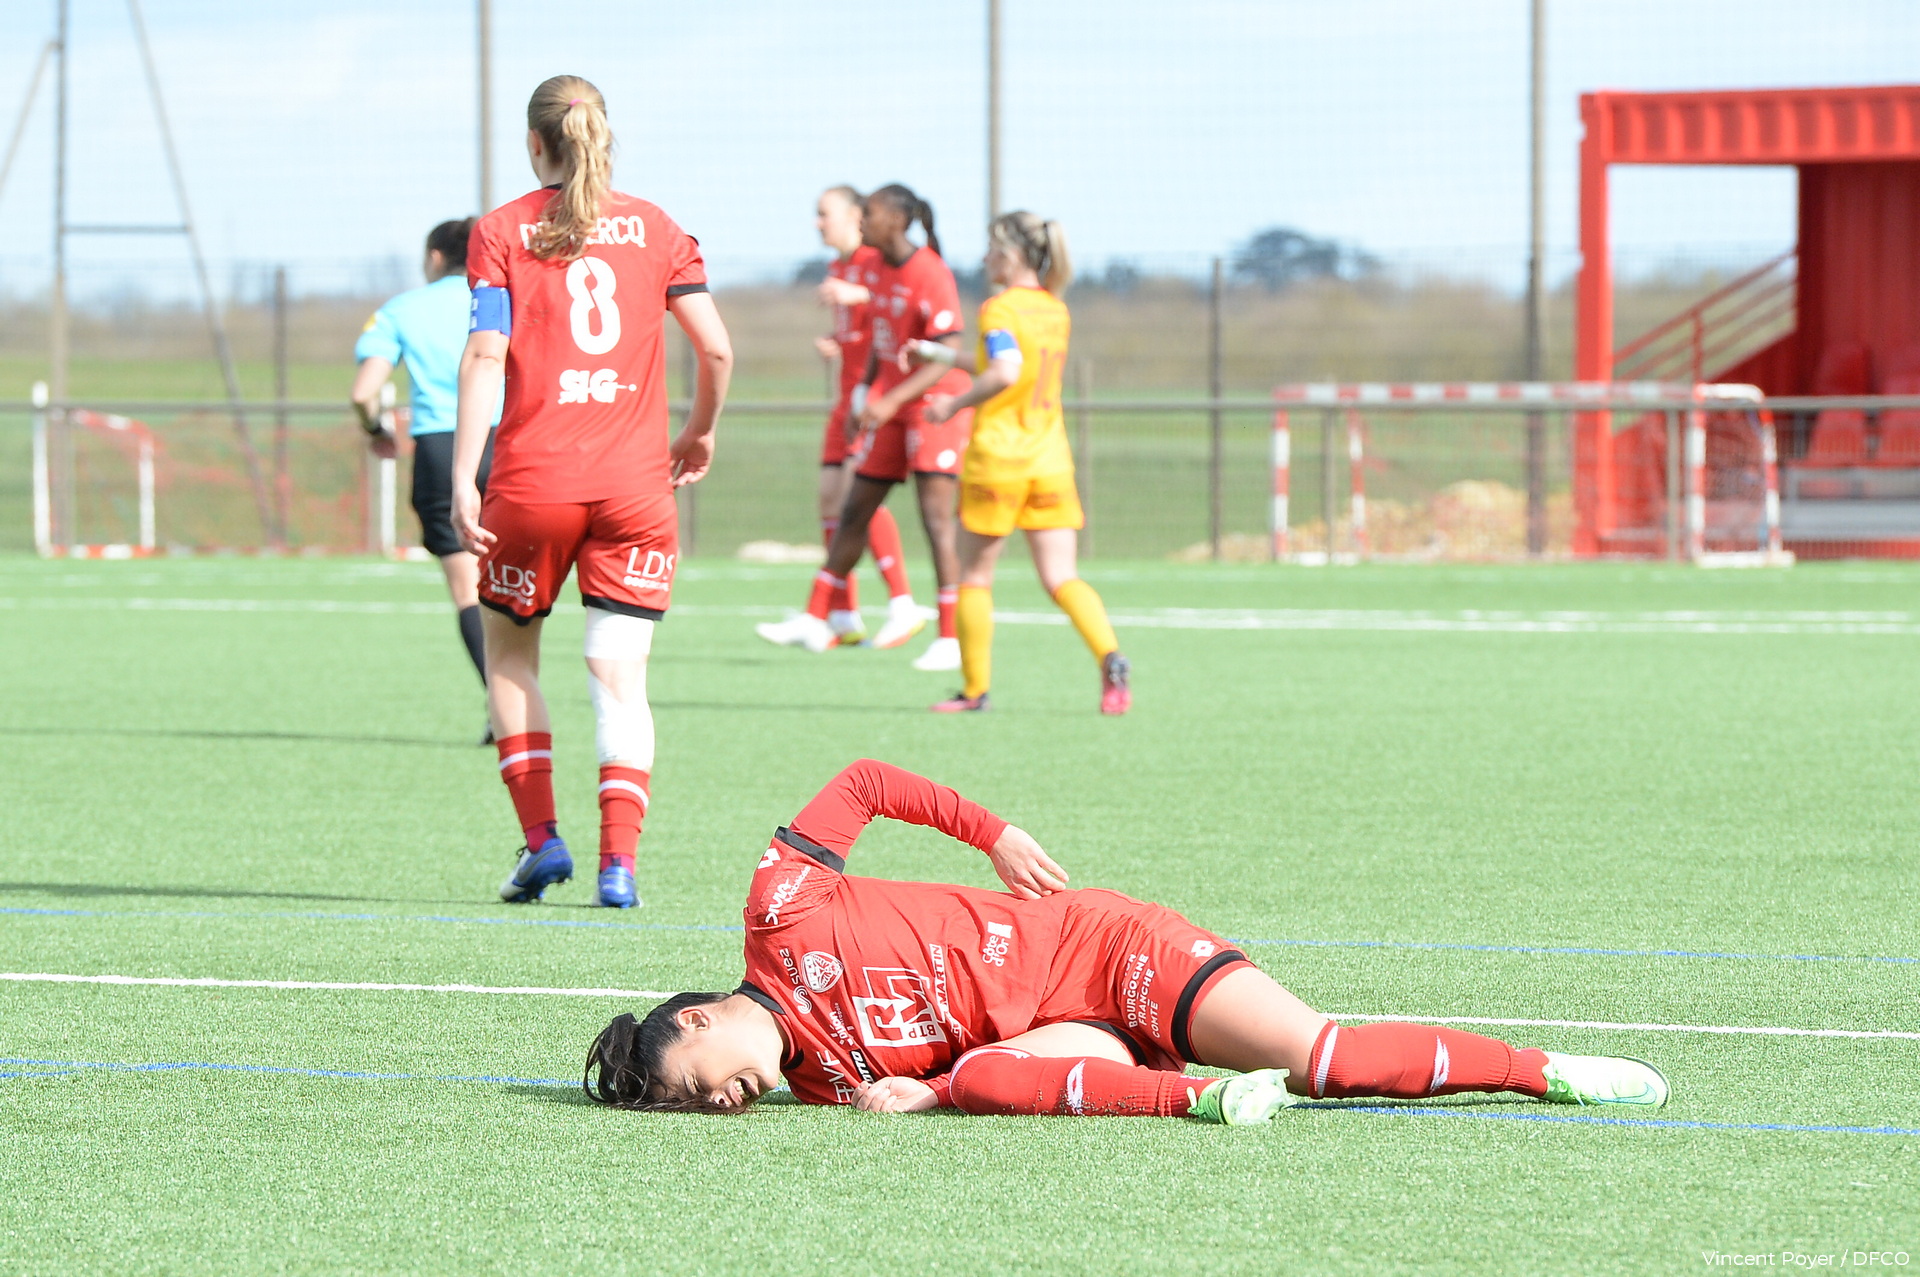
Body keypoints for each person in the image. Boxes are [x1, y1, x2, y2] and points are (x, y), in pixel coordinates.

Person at [583, 759, 1671, 1121]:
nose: (723, 1103)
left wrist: (993, 832)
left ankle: (1541, 1069)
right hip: (1072, 1034)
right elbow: (971, 1067)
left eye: (697, 1086)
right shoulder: (823, 1085)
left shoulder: (778, 911)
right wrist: (930, 1090)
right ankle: (1205, 1100)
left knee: (1325, 1058)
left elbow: (864, 782)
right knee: (982, 1079)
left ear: (699, 1019)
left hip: (1105, 949)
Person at [451, 75, 733, 911]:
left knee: (510, 659)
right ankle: (620, 865)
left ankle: (542, 841)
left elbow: (485, 354)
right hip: (635, 491)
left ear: (534, 143)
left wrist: (465, 475)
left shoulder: (500, 230)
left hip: (532, 484)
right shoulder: (659, 228)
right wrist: (699, 430)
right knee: (621, 676)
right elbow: (716, 350)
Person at [909, 212, 1130, 715]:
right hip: (1049, 459)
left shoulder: (1000, 308)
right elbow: (1004, 364)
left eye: (991, 249)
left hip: (1000, 459)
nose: (985, 258)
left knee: (974, 576)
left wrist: (952, 404)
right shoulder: (1055, 310)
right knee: (1062, 577)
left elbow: (1005, 373)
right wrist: (936, 355)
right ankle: (1110, 657)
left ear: (1010, 256)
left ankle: (974, 691)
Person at [754, 184, 968, 671]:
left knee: (936, 520)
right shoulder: (875, 268)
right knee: (854, 508)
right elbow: (879, 338)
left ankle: (949, 637)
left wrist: (889, 398)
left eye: (867, 213)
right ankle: (819, 615)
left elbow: (947, 354)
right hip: (890, 402)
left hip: (932, 403)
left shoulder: (929, 271)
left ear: (896, 220)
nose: (861, 221)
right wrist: (864, 391)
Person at [350, 218, 501, 737]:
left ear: (435, 257)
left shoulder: (401, 310)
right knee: (514, 582)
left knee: (467, 587)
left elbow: (363, 392)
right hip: (511, 441)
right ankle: (520, 692)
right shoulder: (503, 299)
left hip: (443, 448)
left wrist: (375, 430)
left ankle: (503, 707)